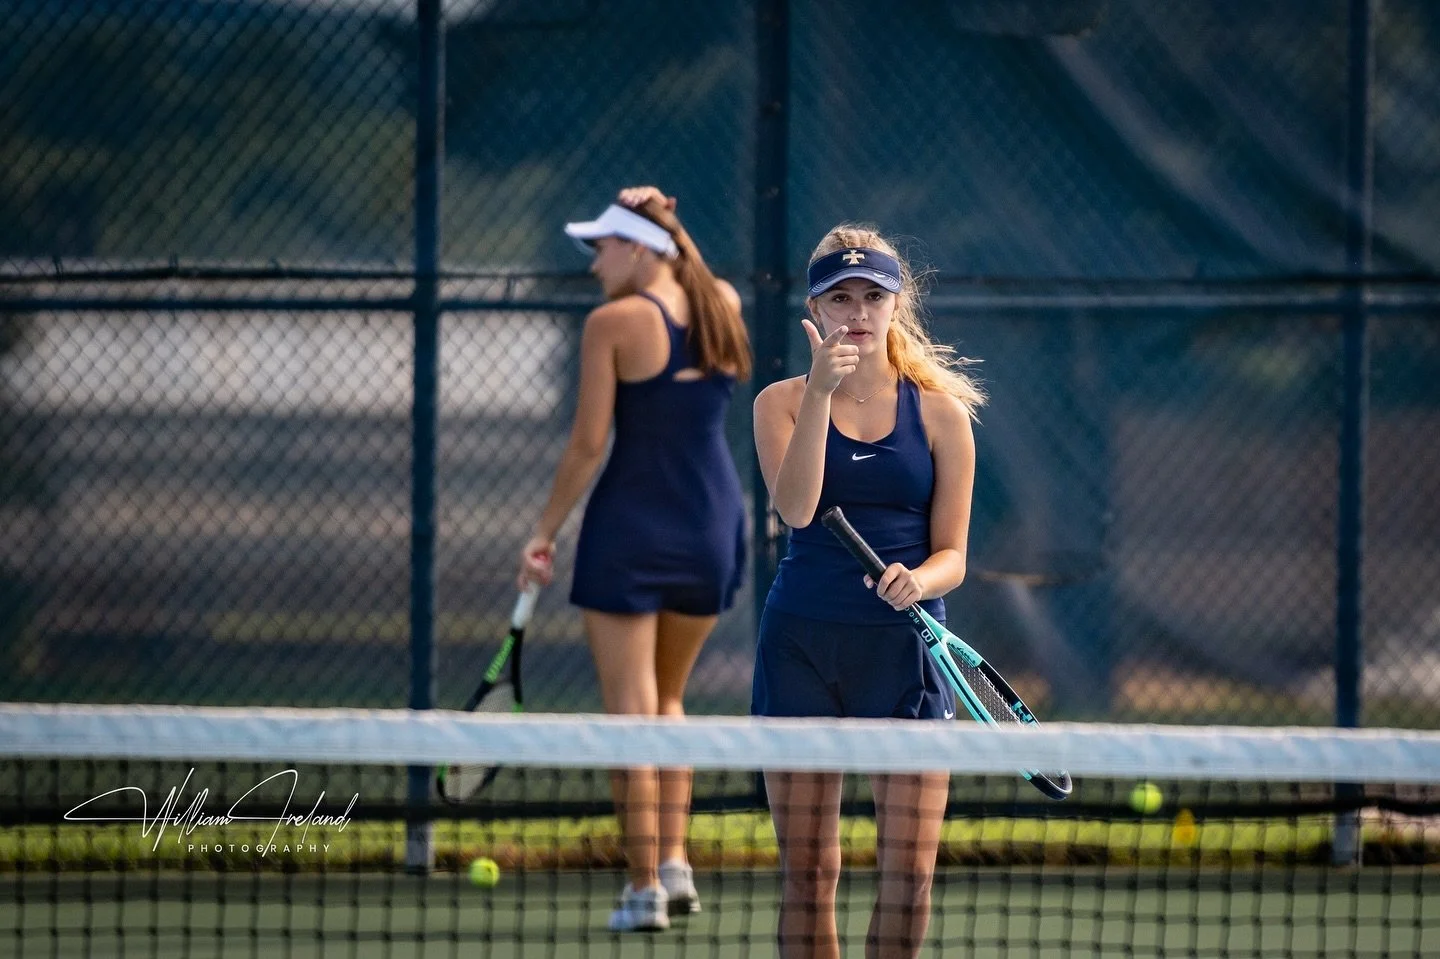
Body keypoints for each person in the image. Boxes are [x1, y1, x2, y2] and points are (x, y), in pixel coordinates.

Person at [518, 185, 751, 932]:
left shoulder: (612, 323)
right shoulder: (723, 301)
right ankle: (674, 863)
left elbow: (588, 445)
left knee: (630, 714)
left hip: (632, 530)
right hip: (712, 526)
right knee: (669, 703)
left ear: (640, 248)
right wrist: (672, 225)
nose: (594, 265)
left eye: (604, 247)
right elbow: (700, 276)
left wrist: (543, 532)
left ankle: (644, 886)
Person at [751, 225, 985, 959]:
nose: (856, 311)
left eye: (872, 296)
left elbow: (954, 554)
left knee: (910, 877)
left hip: (907, 655)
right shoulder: (779, 402)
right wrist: (821, 392)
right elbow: (794, 509)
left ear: (896, 304)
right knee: (808, 873)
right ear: (815, 310)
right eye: (840, 297)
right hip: (803, 648)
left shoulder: (943, 413)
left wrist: (919, 578)